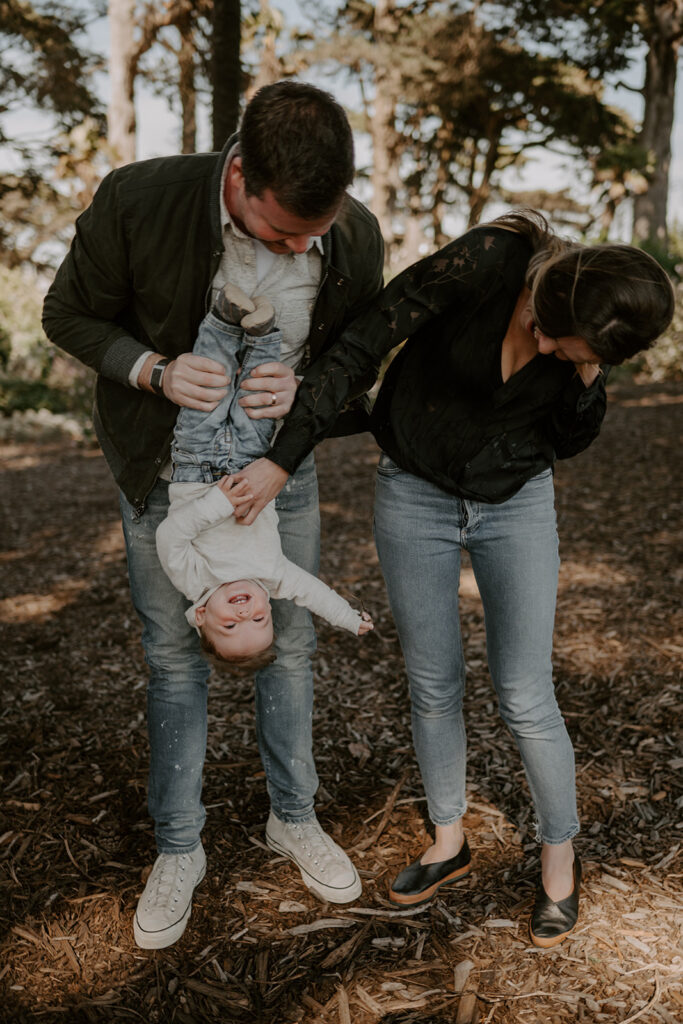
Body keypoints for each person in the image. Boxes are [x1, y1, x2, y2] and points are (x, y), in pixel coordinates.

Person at [231, 209, 675, 948]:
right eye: (543, 327)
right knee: (432, 681)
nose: (541, 345)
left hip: (516, 504)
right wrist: (284, 454)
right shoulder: (490, 262)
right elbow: (366, 339)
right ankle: (447, 839)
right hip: (414, 491)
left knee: (525, 693)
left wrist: (585, 376)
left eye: (563, 352)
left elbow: (570, 440)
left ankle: (558, 862)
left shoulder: (583, 348)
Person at [42, 80, 384, 950]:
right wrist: (152, 370)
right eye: (282, 233)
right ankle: (179, 847)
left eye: (318, 231)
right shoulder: (139, 197)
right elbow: (67, 313)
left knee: (292, 644)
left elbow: (355, 357)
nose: (306, 246)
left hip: (281, 472)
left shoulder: (353, 231)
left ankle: (293, 818)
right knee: (173, 656)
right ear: (237, 176)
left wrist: (306, 396)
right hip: (168, 471)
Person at [156, 281, 373, 667]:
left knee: (211, 386)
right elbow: (312, 592)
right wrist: (348, 619)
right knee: (256, 399)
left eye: (230, 627)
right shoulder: (273, 575)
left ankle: (223, 319)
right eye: (259, 620)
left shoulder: (194, 582)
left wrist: (220, 502)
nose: (244, 616)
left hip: (195, 459)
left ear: (202, 618)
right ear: (269, 609)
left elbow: (171, 535)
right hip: (251, 458)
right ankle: (262, 334)